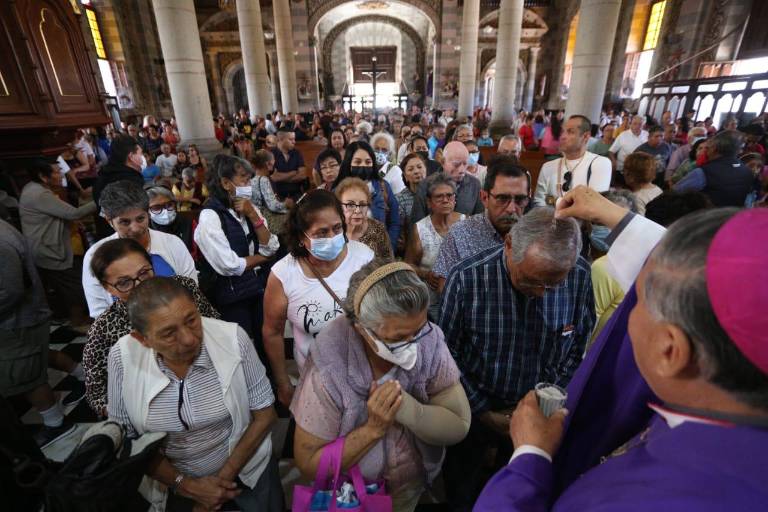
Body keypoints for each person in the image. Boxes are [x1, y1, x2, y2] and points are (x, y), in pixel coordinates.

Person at [475, 190, 768, 512]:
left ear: (670, 351)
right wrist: (622, 221)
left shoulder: (645, 498)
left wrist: (531, 457)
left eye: (637, 299)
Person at [440, 208, 595, 511]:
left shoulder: (579, 275)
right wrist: (483, 411)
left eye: (552, 285)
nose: (540, 293)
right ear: (509, 244)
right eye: (530, 281)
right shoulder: (468, 278)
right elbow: (446, 354)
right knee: (464, 493)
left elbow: (578, 346)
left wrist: (540, 404)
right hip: (474, 413)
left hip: (539, 417)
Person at [291, 260, 471, 512]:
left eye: (417, 330)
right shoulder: (329, 366)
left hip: (408, 486)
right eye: (397, 337)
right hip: (350, 495)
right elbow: (309, 461)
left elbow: (458, 423)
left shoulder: (429, 339)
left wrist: (412, 411)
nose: (412, 344)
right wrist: (373, 429)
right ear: (361, 328)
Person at [107, 277, 283, 512]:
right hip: (171, 484)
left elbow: (265, 415)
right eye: (169, 333)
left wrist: (219, 483)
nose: (189, 338)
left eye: (192, 320)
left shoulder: (231, 338)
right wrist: (187, 486)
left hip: (246, 469)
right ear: (142, 339)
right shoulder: (122, 357)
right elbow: (127, 438)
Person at [262, 190, 374, 407]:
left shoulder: (364, 258)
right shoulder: (283, 274)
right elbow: (272, 332)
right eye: (321, 233)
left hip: (364, 378)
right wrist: (283, 383)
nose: (332, 237)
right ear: (302, 237)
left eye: (337, 228)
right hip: (315, 385)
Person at [83, 238, 218, 416]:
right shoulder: (103, 330)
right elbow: (97, 395)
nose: (140, 285)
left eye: (145, 273)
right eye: (124, 282)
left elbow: (216, 330)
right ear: (107, 288)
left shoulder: (184, 289)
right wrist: (139, 415)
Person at [0, 218, 77, 448]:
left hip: (17, 320)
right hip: (21, 319)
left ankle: (56, 423)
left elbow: (10, 291)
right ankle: (84, 375)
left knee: (27, 376)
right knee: (38, 356)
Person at [195, 155, 279, 342]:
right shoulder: (210, 216)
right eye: (244, 179)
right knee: (243, 343)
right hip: (231, 298)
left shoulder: (249, 208)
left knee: (264, 338)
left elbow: (272, 245)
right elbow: (230, 265)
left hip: (257, 287)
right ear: (226, 183)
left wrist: (252, 215)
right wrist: (263, 258)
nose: (249, 184)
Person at [83, 180, 197, 318]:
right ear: (109, 221)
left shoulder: (172, 244)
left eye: (140, 219)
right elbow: (100, 312)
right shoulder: (95, 255)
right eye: (125, 222)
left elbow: (192, 292)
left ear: (148, 213)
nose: (135, 228)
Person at [19, 158, 96, 330]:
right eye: (55, 171)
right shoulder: (39, 194)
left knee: (68, 284)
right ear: (42, 176)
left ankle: (78, 319)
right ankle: (77, 322)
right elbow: (75, 213)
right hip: (48, 249)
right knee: (74, 286)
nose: (60, 174)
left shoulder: (33, 188)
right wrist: (101, 198)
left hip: (45, 247)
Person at [432, 155, 529, 290]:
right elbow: (445, 291)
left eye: (520, 199)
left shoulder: (536, 237)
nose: (511, 209)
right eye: (502, 199)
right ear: (484, 197)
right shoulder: (460, 235)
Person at [404, 174, 464, 320]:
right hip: (432, 304)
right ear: (429, 202)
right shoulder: (420, 229)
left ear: (455, 199)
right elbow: (407, 265)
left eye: (449, 196)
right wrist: (426, 274)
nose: (445, 200)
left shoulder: (465, 223)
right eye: (439, 197)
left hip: (463, 299)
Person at [589, 189, 637, 346]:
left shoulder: (603, 267)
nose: (608, 229)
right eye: (600, 222)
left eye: (618, 223)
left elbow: (588, 330)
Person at [332, 141, 401, 251]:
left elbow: (394, 221)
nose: (363, 165)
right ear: (349, 163)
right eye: (357, 162)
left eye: (368, 162)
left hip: (379, 251)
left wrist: (389, 247)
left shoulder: (383, 187)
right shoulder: (337, 191)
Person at [533, 115, 612, 207]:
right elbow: (539, 202)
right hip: (549, 220)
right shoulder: (548, 166)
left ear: (585, 136)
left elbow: (593, 205)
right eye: (562, 132)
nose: (562, 136)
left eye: (570, 132)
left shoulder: (600, 163)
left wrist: (553, 200)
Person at [674, 130, 754, 206]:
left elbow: (675, 192)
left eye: (708, 148)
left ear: (714, 148)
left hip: (705, 217)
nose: (705, 151)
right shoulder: (747, 171)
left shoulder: (704, 172)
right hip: (732, 217)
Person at [411, 141, 483, 222]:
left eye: (465, 164)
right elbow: (417, 224)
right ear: (442, 162)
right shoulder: (425, 186)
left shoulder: (474, 184)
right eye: (456, 164)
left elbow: (479, 220)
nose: (461, 170)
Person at [336, 177, 393, 259]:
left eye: (362, 205)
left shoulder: (378, 229)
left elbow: (388, 263)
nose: (357, 210)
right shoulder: (334, 232)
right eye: (350, 205)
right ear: (339, 206)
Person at [92, 134, 145, 209]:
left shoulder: (103, 174)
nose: (143, 157)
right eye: (141, 153)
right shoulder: (133, 181)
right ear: (131, 156)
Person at [146, 186, 195, 256]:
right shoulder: (145, 231)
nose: (165, 211)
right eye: (156, 208)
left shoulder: (190, 224)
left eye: (169, 205)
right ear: (147, 212)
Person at [270, 128, 307, 200]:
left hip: (296, 194)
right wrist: (293, 173)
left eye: (294, 139)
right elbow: (273, 177)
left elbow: (302, 175)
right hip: (277, 196)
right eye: (291, 139)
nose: (294, 142)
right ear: (281, 139)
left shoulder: (297, 153)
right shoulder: (271, 154)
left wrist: (280, 177)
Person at [396, 152, 429, 231]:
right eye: (411, 169)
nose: (416, 171)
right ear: (405, 176)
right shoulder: (399, 199)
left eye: (419, 167)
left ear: (426, 170)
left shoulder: (435, 194)